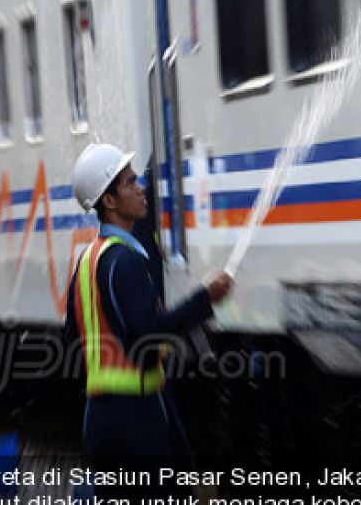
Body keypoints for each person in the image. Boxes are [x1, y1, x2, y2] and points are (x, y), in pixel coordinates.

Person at [64, 143, 233, 491]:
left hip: (98, 419)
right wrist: (205, 298)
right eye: (129, 183)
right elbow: (147, 335)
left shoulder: (87, 261)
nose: (141, 188)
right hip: (139, 413)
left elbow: (72, 340)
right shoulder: (124, 262)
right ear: (109, 201)